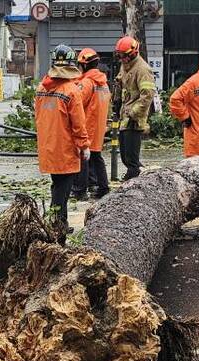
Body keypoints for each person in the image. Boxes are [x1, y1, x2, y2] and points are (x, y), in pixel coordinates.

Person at [34, 44, 90, 234]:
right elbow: (78, 124)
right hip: (65, 148)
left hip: (47, 146)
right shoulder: (71, 90)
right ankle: (57, 224)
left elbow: (38, 117)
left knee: (57, 185)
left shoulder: (42, 88)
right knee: (62, 189)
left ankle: (59, 222)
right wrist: (84, 146)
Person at [71, 48, 111, 200]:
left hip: (88, 124)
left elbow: (75, 101)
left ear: (84, 65)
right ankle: (103, 187)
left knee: (83, 157)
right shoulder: (103, 82)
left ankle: (80, 190)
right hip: (99, 126)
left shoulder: (87, 83)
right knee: (96, 156)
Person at [114, 37, 156, 181]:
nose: (122, 59)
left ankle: (134, 179)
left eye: (124, 56)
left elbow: (147, 95)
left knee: (131, 158)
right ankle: (141, 175)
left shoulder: (142, 69)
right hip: (124, 115)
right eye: (119, 56)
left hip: (134, 118)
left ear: (133, 53)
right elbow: (122, 84)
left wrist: (134, 114)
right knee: (125, 155)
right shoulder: (125, 66)